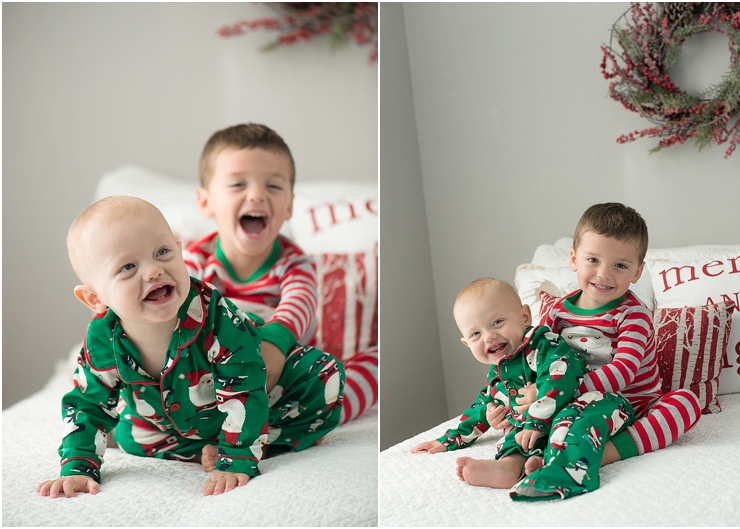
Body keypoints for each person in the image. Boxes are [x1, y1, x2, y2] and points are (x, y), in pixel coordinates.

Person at [36, 197, 343, 499]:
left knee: (325, 376)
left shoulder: (214, 314)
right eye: (128, 266)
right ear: (95, 299)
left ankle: (241, 442)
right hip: (166, 424)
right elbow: (88, 404)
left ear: (181, 252)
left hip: (252, 393)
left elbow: (245, 389)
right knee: (131, 436)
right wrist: (78, 468)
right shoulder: (103, 339)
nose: (154, 270)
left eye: (163, 252)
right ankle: (203, 449)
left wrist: (235, 459)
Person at [184, 123, 377, 425]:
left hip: (283, 380)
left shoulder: (295, 262)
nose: (257, 195)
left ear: (289, 205)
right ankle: (222, 427)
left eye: (273, 186)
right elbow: (179, 307)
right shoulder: (194, 260)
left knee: (376, 362)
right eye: (237, 185)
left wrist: (275, 342)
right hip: (214, 384)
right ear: (205, 201)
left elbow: (298, 304)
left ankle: (291, 420)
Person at [512, 202, 701, 501]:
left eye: (620, 265)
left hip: (634, 404)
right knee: (543, 413)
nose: (604, 274)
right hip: (576, 402)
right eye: (593, 260)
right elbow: (537, 358)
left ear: (637, 272)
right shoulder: (558, 313)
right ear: (573, 259)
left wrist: (558, 392)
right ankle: (540, 454)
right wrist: (519, 397)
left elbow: (623, 370)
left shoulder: (633, 315)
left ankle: (600, 456)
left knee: (686, 403)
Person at [410, 278, 593, 490]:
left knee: (568, 427)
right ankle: (509, 467)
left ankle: (552, 462)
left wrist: (537, 407)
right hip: (530, 429)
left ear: (525, 317)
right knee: (516, 435)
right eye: (476, 334)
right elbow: (481, 407)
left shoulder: (544, 343)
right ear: (467, 343)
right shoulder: (498, 373)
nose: (489, 336)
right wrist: (448, 440)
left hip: (567, 411)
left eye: (497, 322)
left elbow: (560, 373)